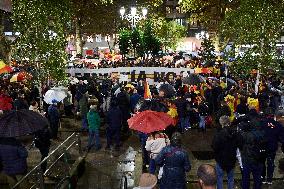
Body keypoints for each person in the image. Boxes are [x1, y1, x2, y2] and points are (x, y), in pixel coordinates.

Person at [212, 116, 240, 189]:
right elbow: (240, 144)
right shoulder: (235, 133)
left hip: (220, 160)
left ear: (221, 123)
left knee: (219, 178)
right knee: (230, 178)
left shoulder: (218, 134)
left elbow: (214, 146)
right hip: (231, 159)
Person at [260, 108, 284, 185]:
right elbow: (281, 138)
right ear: (273, 115)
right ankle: (269, 179)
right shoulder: (278, 125)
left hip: (262, 147)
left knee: (262, 162)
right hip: (272, 147)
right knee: (270, 163)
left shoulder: (261, 124)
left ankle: (263, 178)